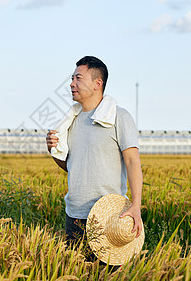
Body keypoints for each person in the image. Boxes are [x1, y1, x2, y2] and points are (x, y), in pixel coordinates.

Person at [45, 56, 143, 250]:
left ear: (98, 83)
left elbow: (132, 161)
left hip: (108, 216)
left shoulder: (119, 117)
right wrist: (53, 150)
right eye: (72, 78)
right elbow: (72, 166)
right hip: (74, 214)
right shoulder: (70, 121)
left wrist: (136, 206)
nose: (72, 84)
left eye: (78, 78)